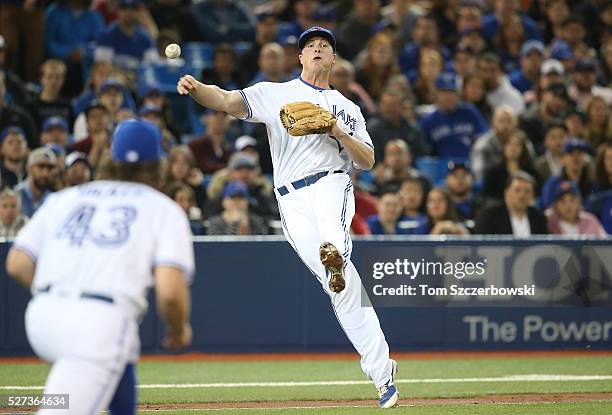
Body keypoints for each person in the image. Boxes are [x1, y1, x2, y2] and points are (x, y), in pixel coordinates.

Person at [177, 26, 399, 408]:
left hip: (331, 181)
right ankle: (383, 375)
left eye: (324, 46)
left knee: (334, 242)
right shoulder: (274, 93)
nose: (316, 49)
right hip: (289, 198)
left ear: (333, 59)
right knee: (343, 289)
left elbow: (368, 159)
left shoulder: (348, 107)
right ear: (299, 58)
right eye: (310, 46)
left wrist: (338, 132)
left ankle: (335, 251)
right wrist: (198, 89)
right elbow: (228, 101)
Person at [6, 119, 194, 415]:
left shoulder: (65, 198)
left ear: (111, 157)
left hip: (42, 319)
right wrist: (179, 330)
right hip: (98, 325)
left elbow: (17, 264)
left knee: (122, 353)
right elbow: (170, 292)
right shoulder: (163, 209)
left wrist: (59, 296)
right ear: (158, 164)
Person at [419, 72, 488, 159]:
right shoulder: (428, 121)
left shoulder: (470, 112)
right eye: (444, 92)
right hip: (442, 168)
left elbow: (484, 140)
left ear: (458, 94)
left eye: (452, 92)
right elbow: (424, 153)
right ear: (436, 94)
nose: (448, 97)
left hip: (471, 165)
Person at [94, 0, 158, 77]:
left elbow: (151, 68)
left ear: (138, 12)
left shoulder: (145, 38)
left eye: (133, 8)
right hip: (114, 84)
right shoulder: (106, 36)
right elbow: (103, 69)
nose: (129, 12)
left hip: (138, 84)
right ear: (117, 10)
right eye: (124, 8)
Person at [475, 171, 548, 235]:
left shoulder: (539, 218)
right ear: (506, 192)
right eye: (517, 190)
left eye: (527, 191)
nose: (522, 195)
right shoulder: (489, 216)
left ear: (533, 195)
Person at [367, 90, 429, 162]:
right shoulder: (372, 130)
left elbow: (422, 157)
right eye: (387, 105)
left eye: (393, 105)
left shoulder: (413, 130)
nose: (390, 109)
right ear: (380, 106)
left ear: (401, 106)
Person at [482, 129, 539, 203]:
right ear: (504, 148)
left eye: (517, 145)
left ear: (523, 150)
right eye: (509, 144)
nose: (513, 148)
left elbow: (537, 194)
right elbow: (488, 196)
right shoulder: (493, 171)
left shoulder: (531, 171)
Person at [541, 138, 596, 208]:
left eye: (579, 154)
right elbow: (547, 207)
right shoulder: (553, 183)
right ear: (562, 160)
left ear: (585, 160)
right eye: (571, 154)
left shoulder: (592, 183)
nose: (575, 158)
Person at [470, 105, 519, 181]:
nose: (505, 125)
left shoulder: (521, 141)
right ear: (493, 123)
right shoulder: (483, 144)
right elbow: (478, 175)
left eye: (509, 121)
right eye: (501, 121)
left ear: (515, 124)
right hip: (491, 186)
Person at [26, 59, 73, 130]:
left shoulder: (67, 105)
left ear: (63, 80)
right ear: (42, 79)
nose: (54, 82)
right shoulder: (31, 106)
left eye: (58, 77)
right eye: (49, 77)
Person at [15, 147, 57, 217]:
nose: (45, 173)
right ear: (29, 168)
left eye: (49, 168)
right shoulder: (15, 194)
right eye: (41, 167)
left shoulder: (53, 199)